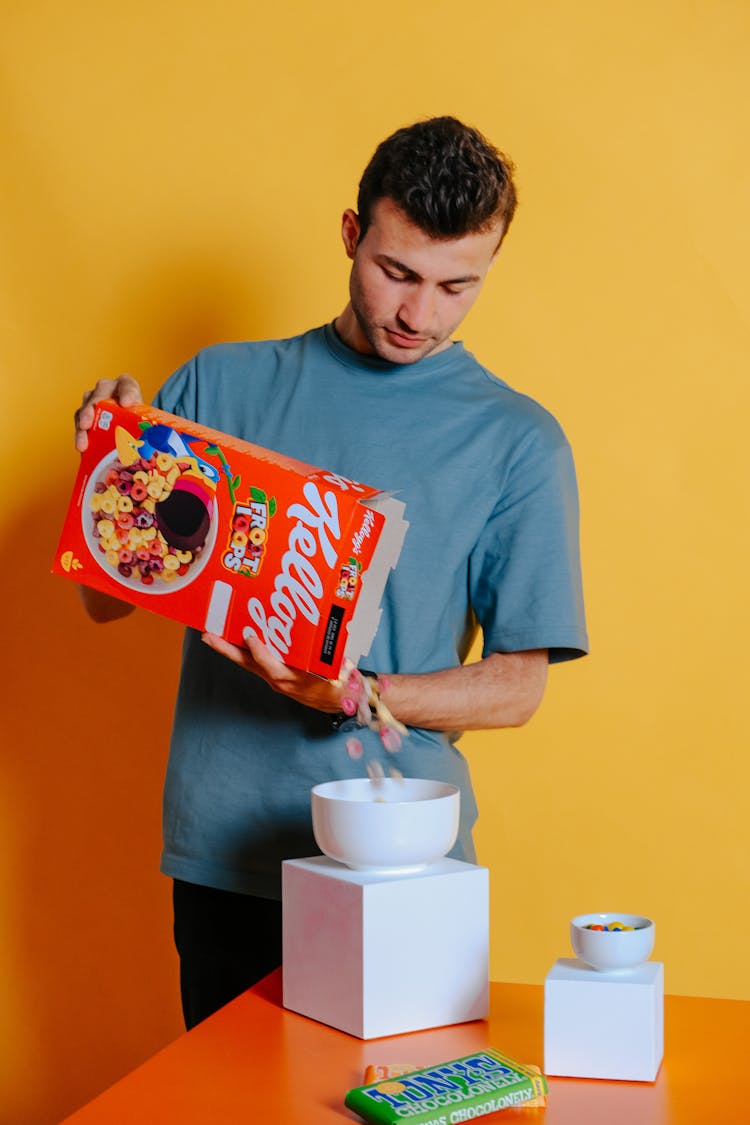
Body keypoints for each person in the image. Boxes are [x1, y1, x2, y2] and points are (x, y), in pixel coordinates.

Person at [74, 116, 588, 1029]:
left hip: (403, 860)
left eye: (456, 285)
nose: (417, 314)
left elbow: (517, 687)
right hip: (226, 853)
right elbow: (104, 598)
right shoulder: (218, 386)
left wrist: (357, 693)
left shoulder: (518, 440)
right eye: (397, 272)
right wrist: (109, 469)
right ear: (352, 235)